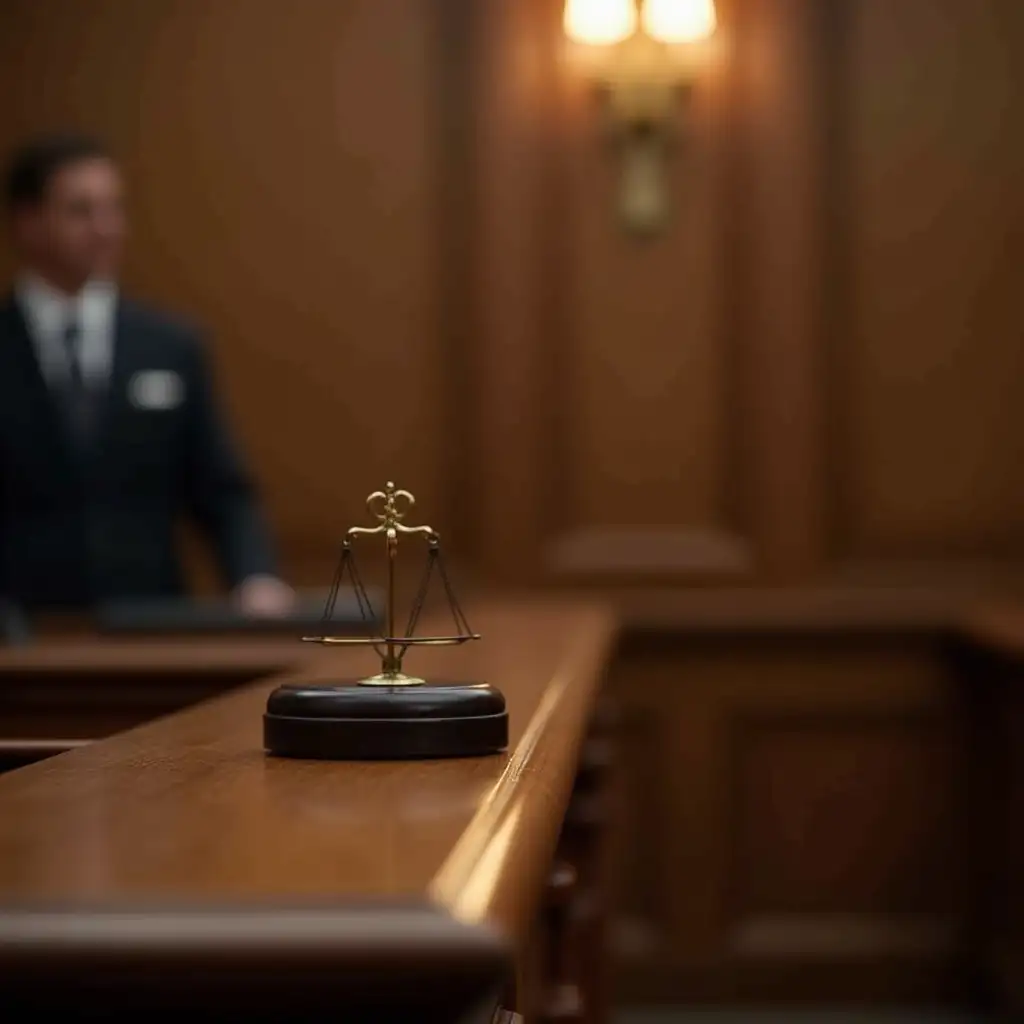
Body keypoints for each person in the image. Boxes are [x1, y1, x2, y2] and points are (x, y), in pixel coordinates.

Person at [0, 133, 295, 615]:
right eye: (81, 210)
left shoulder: (171, 345)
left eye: (114, 208)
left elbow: (222, 489)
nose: (106, 228)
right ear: (28, 221)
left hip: (150, 622)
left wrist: (254, 576)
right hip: (23, 630)